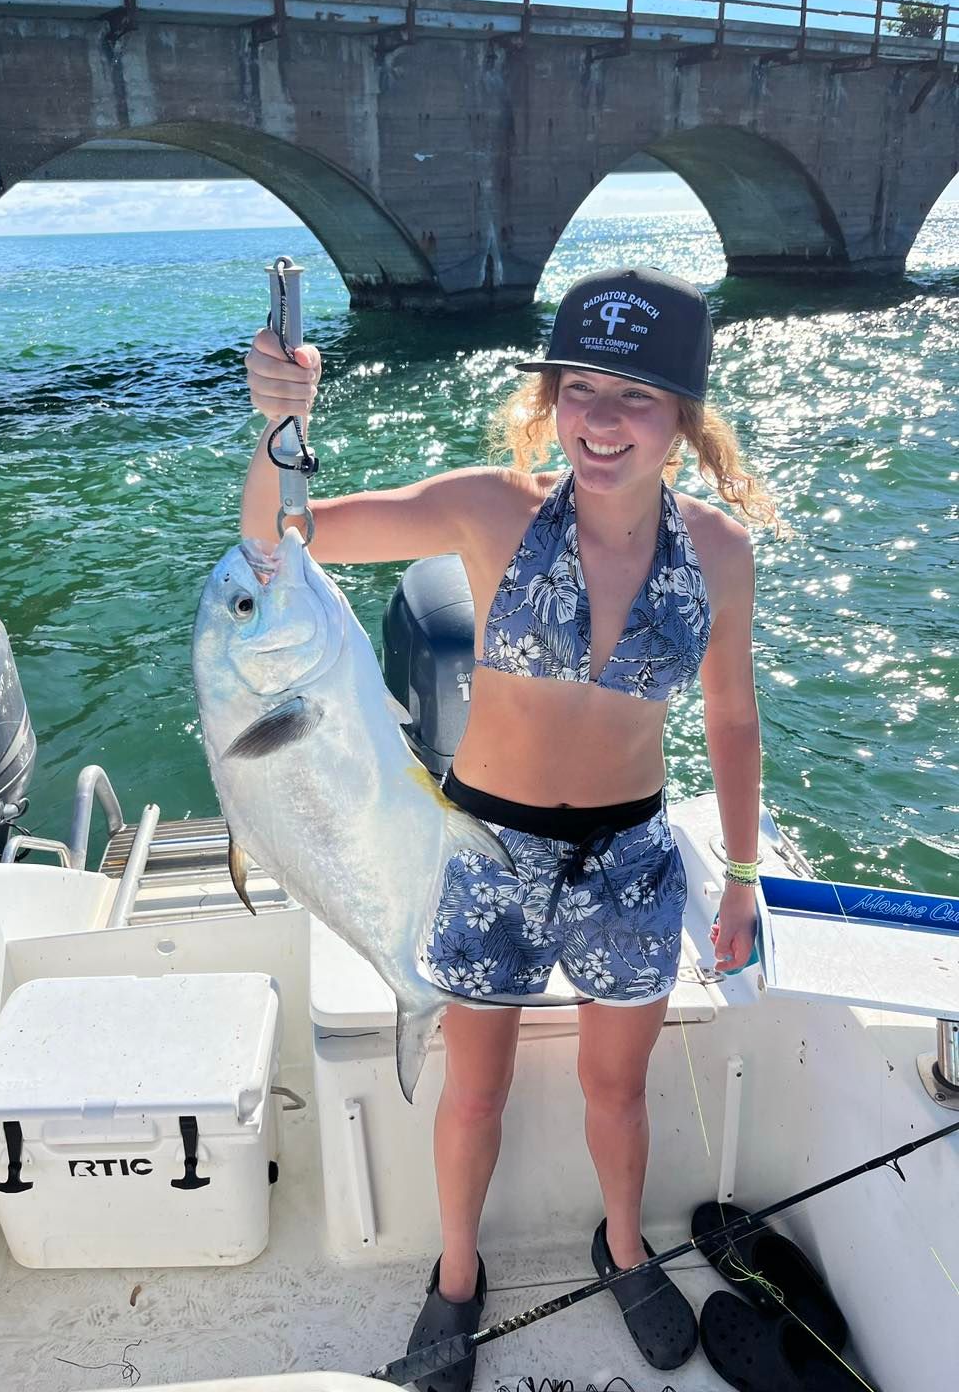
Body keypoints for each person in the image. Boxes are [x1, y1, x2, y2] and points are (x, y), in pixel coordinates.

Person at [242, 267, 775, 1381]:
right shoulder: (492, 510)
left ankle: (624, 1249)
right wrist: (280, 425)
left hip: (630, 859)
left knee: (615, 1090)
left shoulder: (720, 553)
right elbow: (283, 544)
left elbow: (731, 717)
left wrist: (740, 873)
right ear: (551, 400)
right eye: (580, 387)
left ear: (683, 415)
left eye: (634, 395)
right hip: (485, 850)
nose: (601, 418)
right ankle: (455, 1280)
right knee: (474, 1088)